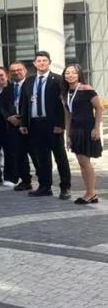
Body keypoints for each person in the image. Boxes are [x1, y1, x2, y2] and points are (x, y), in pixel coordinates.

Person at [21, 51, 72, 199]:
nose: (41, 63)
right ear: (34, 63)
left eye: (44, 60)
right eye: (39, 61)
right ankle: (45, 186)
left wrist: (61, 124)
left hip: (53, 125)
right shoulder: (29, 81)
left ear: (49, 62)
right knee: (42, 159)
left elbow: (64, 105)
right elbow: (25, 104)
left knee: (60, 157)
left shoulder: (58, 80)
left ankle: (65, 187)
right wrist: (23, 123)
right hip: (35, 125)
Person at [62, 64, 101, 204]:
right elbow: (67, 116)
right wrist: (68, 135)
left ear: (79, 75)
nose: (70, 75)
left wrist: (96, 128)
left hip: (87, 129)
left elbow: (99, 108)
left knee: (85, 162)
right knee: (81, 163)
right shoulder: (65, 93)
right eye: (67, 73)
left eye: (73, 72)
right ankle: (90, 193)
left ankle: (91, 193)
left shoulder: (87, 89)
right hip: (75, 131)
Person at [5, 61, 33, 191]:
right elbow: (2, 105)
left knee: (35, 154)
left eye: (19, 70)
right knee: (19, 155)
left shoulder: (32, 85)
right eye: (13, 71)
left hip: (29, 125)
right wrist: (9, 117)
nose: (16, 72)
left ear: (25, 70)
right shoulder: (8, 88)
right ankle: (25, 181)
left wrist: (22, 119)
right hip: (13, 125)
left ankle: (44, 183)